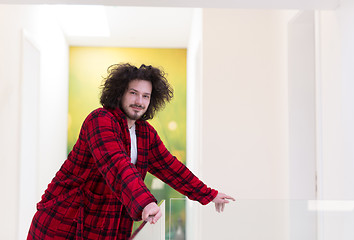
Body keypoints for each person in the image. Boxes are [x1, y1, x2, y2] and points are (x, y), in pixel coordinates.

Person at [27, 63, 235, 240]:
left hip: (105, 227)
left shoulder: (145, 133)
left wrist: (209, 194)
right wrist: (146, 204)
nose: (139, 101)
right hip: (64, 223)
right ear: (120, 93)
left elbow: (171, 168)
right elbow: (116, 164)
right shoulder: (99, 120)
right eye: (133, 93)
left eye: (146, 96)